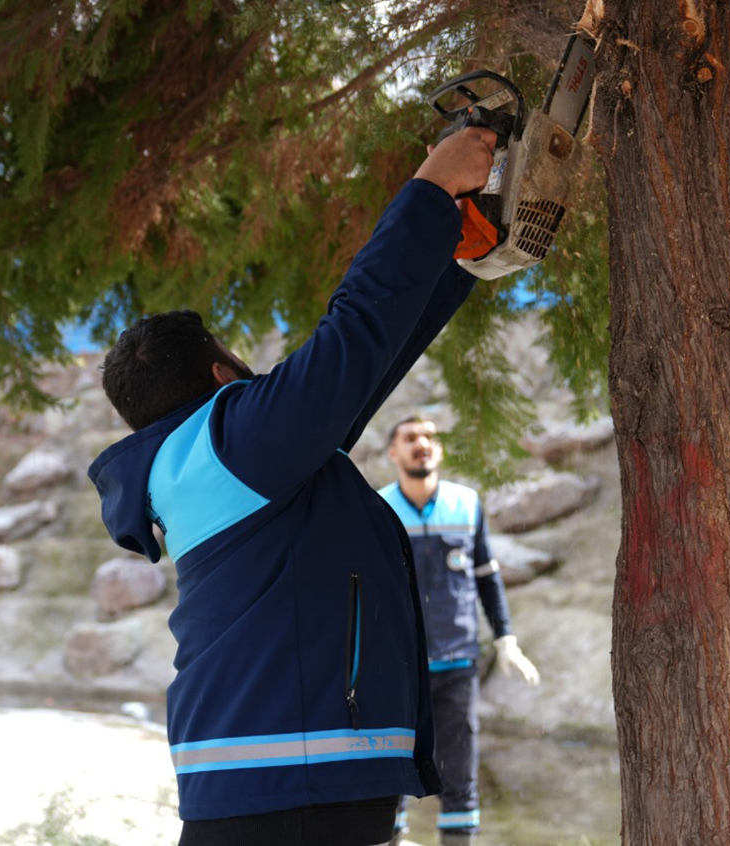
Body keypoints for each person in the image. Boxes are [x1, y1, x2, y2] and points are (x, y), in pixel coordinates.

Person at [87, 126, 499, 846]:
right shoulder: (231, 443)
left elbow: (363, 371)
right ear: (221, 376)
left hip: (278, 777)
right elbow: (352, 337)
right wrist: (429, 192)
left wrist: (460, 260)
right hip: (290, 780)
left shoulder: (223, 466)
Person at [378, 416, 540, 845]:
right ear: (393, 452)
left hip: (457, 664)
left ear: (441, 449)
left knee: (459, 775)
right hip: (398, 670)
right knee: (389, 777)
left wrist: (506, 639)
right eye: (410, 438)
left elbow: (488, 576)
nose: (422, 444)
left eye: (430, 437)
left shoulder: (466, 504)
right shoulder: (378, 508)